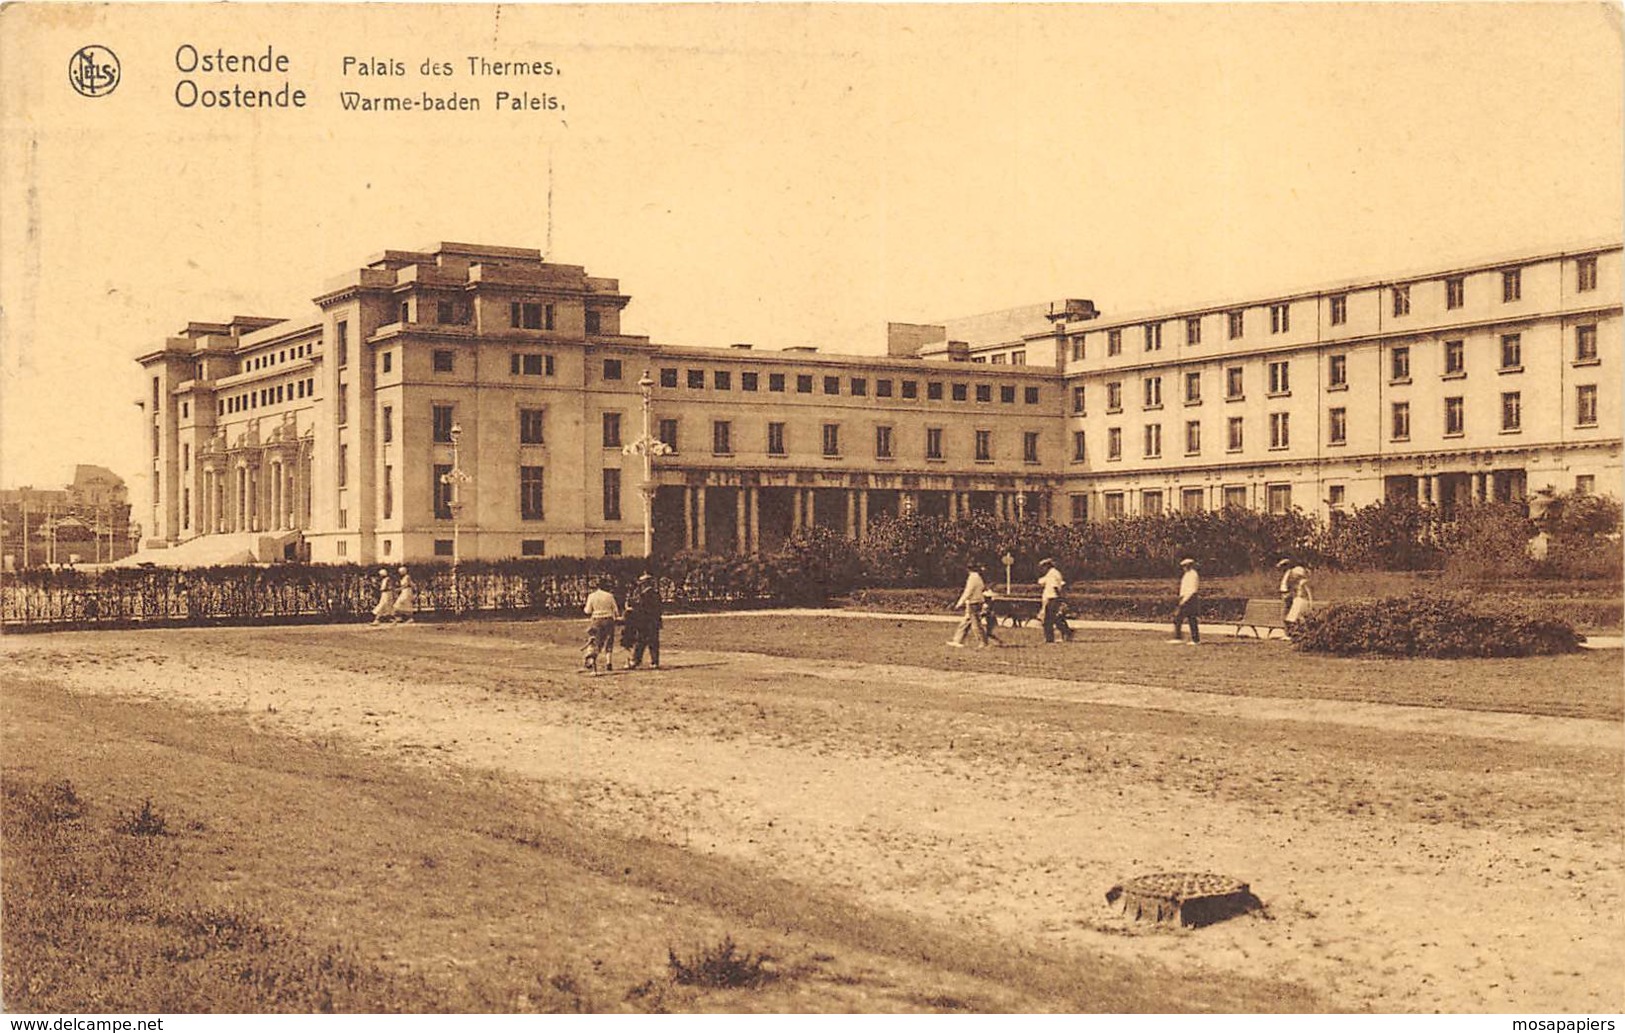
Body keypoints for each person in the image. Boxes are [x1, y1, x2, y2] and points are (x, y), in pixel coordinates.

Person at [624, 572, 664, 669]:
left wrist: (630, 606)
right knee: (653, 642)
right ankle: (654, 662)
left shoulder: (643, 595)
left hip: (644, 622)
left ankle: (635, 661)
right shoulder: (656, 594)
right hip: (654, 621)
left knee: (640, 641)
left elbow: (640, 608)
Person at [581, 577, 621, 674]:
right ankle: (609, 662)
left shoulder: (592, 596)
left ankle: (592, 662)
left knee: (596, 641)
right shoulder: (610, 596)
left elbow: (587, 611)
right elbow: (616, 610)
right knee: (609, 640)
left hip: (597, 619)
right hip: (608, 619)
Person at [947, 562, 989, 648]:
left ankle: (983, 642)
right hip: (978, 601)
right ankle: (958, 640)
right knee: (965, 622)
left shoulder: (972, 578)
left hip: (973, 603)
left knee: (976, 624)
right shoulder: (978, 577)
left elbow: (968, 592)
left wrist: (959, 603)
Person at [1168, 557, 1201, 645]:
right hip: (1186, 598)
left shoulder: (1193, 575)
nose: (1184, 568)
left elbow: (1192, 590)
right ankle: (1193, 639)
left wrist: (1184, 600)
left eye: (1185, 566)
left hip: (1190, 599)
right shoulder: (1187, 575)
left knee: (1181, 618)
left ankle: (1182, 638)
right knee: (1189, 619)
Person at [1036, 557, 1067, 644]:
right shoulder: (1052, 573)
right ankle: (1065, 632)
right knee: (1054, 618)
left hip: (1052, 598)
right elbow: (1041, 582)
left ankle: (1050, 638)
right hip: (1052, 598)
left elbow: (1055, 586)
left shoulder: (1052, 574)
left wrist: (1060, 598)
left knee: (1048, 619)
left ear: (1047, 566)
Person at [1283, 562, 1314, 635]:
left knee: (1295, 616)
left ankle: (1298, 631)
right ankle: (1293, 631)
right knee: (1291, 617)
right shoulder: (1295, 583)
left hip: (1302, 601)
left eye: (1295, 575)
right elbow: (1294, 592)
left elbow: (1309, 593)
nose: (1294, 577)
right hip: (1297, 600)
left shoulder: (1303, 582)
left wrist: (1310, 603)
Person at [1277, 558, 1308, 624]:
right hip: (1285, 594)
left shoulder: (1293, 572)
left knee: (1288, 612)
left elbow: (1294, 584)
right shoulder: (1287, 573)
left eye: (1284, 566)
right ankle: (1286, 625)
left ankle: (1288, 625)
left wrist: (1290, 593)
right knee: (1285, 612)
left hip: (1289, 594)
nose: (1282, 568)